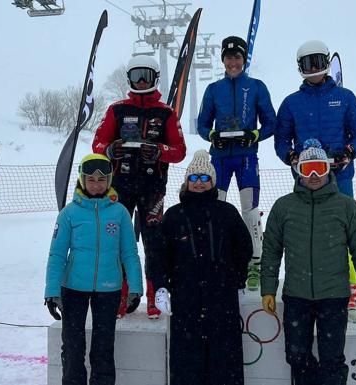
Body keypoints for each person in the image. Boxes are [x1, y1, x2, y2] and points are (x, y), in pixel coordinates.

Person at [260, 140, 356, 385]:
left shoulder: (346, 207)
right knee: (297, 356)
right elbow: (271, 250)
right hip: (297, 297)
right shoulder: (284, 207)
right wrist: (268, 289)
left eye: (319, 168)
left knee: (332, 359)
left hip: (333, 298)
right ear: (298, 171)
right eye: (307, 169)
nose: (313, 175)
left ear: (328, 169)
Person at [274, 40, 356, 321]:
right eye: (307, 64)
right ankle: (309, 291)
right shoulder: (292, 102)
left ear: (327, 62)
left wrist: (350, 153)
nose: (313, 69)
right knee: (308, 235)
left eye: (317, 62)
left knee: (346, 234)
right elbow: (281, 139)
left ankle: (352, 288)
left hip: (339, 178)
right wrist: (291, 156)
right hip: (307, 180)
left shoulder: (345, 97)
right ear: (299, 67)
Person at [92, 55, 186, 319]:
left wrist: (158, 151)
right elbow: (98, 144)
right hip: (119, 187)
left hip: (152, 188)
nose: (141, 81)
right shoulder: (116, 109)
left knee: (154, 243)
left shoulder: (166, 112)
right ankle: (121, 295)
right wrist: (111, 149)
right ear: (129, 79)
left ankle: (156, 296)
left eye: (145, 75)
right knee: (119, 240)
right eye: (136, 76)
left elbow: (179, 151)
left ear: (155, 77)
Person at [150, 150, 252, 385]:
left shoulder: (227, 213)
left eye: (204, 178)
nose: (199, 183)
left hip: (222, 301)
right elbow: (158, 255)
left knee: (224, 364)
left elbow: (244, 247)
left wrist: (238, 278)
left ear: (213, 183)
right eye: (194, 178)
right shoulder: (174, 216)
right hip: (186, 300)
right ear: (186, 182)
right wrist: (162, 285)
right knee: (187, 364)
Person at [44, 154, 143, 385]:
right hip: (73, 288)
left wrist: (136, 288)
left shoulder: (119, 213)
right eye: (91, 180)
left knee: (103, 346)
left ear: (109, 181)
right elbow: (57, 255)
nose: (96, 185)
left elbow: (129, 253)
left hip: (109, 289)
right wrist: (51, 291)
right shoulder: (69, 213)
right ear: (82, 180)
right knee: (72, 346)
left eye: (101, 180)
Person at [197, 35, 276, 292]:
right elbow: (201, 124)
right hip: (219, 158)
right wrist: (212, 136)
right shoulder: (213, 89)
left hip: (245, 157)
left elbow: (271, 123)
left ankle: (255, 261)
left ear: (244, 60)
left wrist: (254, 135)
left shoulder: (255, 86)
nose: (233, 62)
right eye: (229, 58)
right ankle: (219, 257)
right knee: (216, 208)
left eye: (237, 57)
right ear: (223, 60)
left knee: (249, 209)